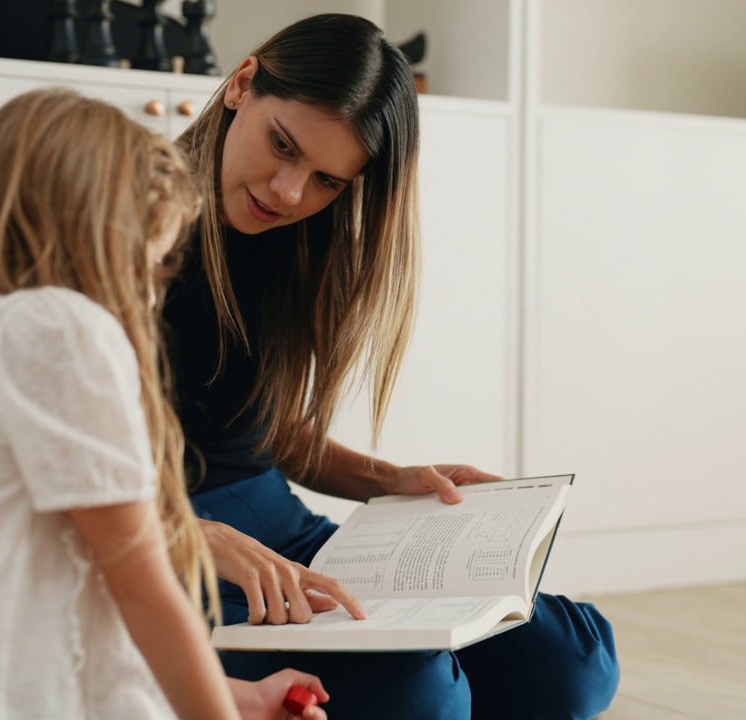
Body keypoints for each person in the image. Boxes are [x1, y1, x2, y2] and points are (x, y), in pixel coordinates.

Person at [0, 88, 329, 720]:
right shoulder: (62, 330)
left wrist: (239, 699)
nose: (151, 295)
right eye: (151, 265)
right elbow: (143, 594)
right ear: (101, 236)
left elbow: (85, 614)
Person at [164, 13, 620, 719]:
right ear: (242, 85)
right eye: (281, 145)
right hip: (162, 543)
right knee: (423, 694)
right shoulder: (117, 224)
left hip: (275, 526)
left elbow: (255, 431)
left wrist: (386, 480)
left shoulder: (293, 242)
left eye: (326, 181)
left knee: (575, 662)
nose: (289, 193)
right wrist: (197, 534)